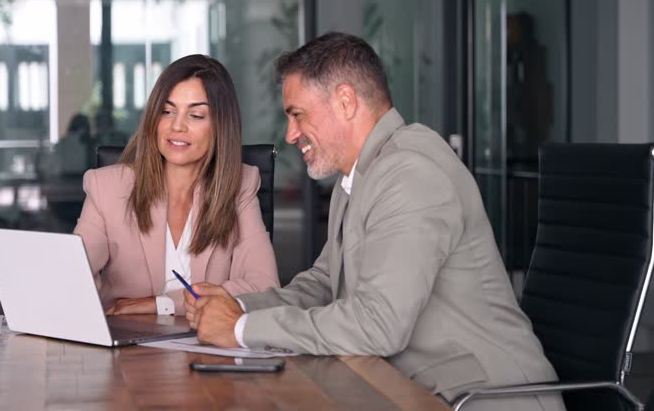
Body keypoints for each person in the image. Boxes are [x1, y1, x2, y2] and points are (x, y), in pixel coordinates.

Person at [184, 33, 564, 411]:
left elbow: (378, 325)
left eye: (298, 114)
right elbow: (323, 285)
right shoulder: (358, 177)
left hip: (482, 399)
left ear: (346, 101)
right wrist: (239, 306)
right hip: (409, 389)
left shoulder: (411, 174)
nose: (291, 134)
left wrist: (240, 330)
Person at [74, 54, 280, 316]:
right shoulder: (106, 187)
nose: (177, 126)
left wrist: (162, 304)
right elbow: (74, 279)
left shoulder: (241, 185)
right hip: (127, 346)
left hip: (209, 344)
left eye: (195, 115)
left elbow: (264, 288)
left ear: (220, 126)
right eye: (167, 111)